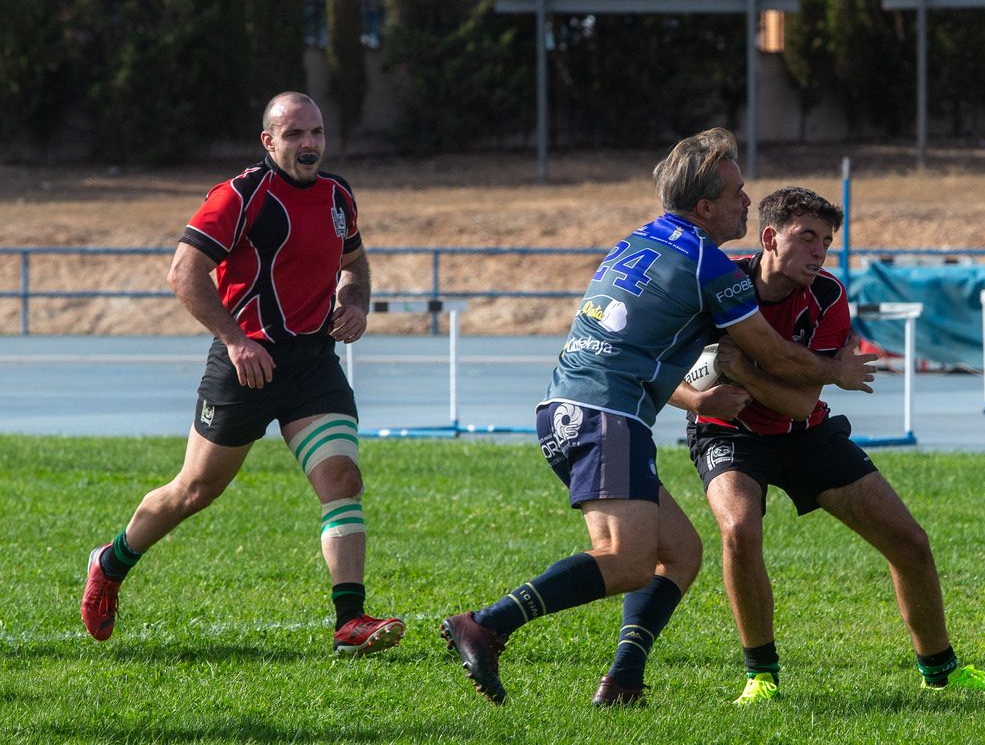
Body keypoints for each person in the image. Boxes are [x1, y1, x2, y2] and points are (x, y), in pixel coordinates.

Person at [439, 129, 878, 706]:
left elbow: (642, 344)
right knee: (625, 560)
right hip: (605, 416)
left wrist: (697, 400)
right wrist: (835, 371)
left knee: (682, 552)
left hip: (571, 408)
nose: (747, 201)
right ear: (705, 207)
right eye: (737, 192)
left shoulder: (640, 239)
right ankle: (487, 625)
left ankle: (623, 682)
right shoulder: (709, 266)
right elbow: (773, 355)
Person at [80, 91, 404, 656]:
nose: (309, 145)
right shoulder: (240, 195)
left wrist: (355, 304)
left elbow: (354, 263)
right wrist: (235, 341)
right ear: (269, 140)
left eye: (318, 134)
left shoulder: (338, 195)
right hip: (245, 365)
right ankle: (111, 562)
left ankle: (349, 622)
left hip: (311, 363)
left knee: (342, 482)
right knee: (195, 490)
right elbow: (184, 272)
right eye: (296, 134)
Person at [672, 185, 985, 705]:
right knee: (738, 528)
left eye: (826, 240)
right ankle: (762, 675)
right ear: (770, 237)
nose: (819, 251)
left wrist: (739, 370)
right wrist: (699, 400)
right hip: (728, 433)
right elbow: (657, 374)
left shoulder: (828, 294)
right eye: (806, 238)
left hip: (805, 434)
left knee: (910, 542)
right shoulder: (717, 281)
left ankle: (940, 670)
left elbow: (800, 405)